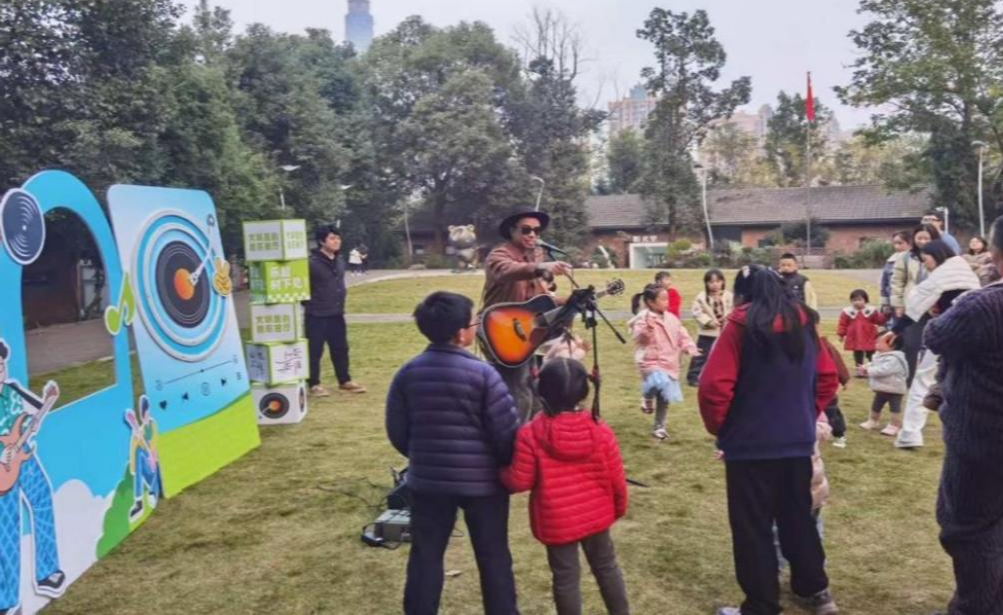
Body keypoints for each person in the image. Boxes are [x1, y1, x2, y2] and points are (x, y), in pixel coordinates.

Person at [699, 265, 840, 615]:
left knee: (753, 527)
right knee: (798, 517)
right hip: (795, 441)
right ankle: (815, 590)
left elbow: (713, 386)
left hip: (749, 447)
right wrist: (805, 415)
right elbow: (827, 376)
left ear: (741, 293)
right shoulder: (804, 322)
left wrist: (723, 429)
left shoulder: (739, 325)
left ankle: (762, 605)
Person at [386, 292, 521, 615]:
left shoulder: (408, 372)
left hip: (428, 482)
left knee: (425, 556)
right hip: (484, 485)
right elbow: (505, 434)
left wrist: (422, 456)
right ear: (461, 333)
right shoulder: (485, 374)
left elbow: (397, 430)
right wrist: (501, 464)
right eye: (473, 323)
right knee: (494, 557)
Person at [501, 358, 630, 615]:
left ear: (542, 389)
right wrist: (618, 508)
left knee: (566, 578)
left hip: (557, 521)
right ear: (584, 390)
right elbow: (617, 478)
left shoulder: (530, 433)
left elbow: (519, 481)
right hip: (597, 516)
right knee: (606, 567)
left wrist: (500, 471)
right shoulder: (600, 429)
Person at [926, 215, 1003, 615]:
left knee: (969, 529)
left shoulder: (983, 304)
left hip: (983, 442)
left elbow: (936, 336)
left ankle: (977, 607)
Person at [481, 210, 570, 421]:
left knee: (534, 386)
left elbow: (537, 301)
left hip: (525, 332)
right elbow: (507, 270)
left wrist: (570, 302)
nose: (532, 235)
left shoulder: (535, 256)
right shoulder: (498, 255)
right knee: (519, 390)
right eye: (526, 230)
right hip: (500, 331)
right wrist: (540, 266)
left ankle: (533, 432)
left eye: (537, 231)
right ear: (512, 231)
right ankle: (515, 435)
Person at [893, 240, 980, 450]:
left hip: (949, 331)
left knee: (923, 381)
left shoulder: (942, 274)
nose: (926, 265)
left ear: (937, 255)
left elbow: (915, 304)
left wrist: (895, 329)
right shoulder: (963, 269)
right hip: (975, 332)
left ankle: (910, 434)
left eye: (926, 260)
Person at [0, 340, 66, 613]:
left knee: (41, 499)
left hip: (23, 452)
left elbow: (35, 413)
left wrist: (47, 400)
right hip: (2, 469)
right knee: (7, 526)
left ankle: (47, 572)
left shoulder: (13, 391)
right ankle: (6, 601)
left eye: (1, 366)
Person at [628, 284, 700, 440]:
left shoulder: (672, 319)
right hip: (650, 361)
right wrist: (647, 330)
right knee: (658, 380)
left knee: (664, 395)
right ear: (650, 302)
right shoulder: (643, 318)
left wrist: (689, 347)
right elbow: (639, 338)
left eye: (667, 298)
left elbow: (682, 334)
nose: (667, 302)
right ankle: (647, 396)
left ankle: (659, 426)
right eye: (663, 299)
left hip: (669, 362)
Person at [303, 225, 366, 396]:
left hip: (336, 313)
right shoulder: (311, 263)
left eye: (338, 238)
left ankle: (344, 380)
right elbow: (302, 289)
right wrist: (311, 304)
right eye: (332, 238)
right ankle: (314, 384)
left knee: (340, 348)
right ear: (321, 241)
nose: (336, 241)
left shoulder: (339, 260)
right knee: (314, 350)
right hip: (316, 314)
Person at [890, 223, 941, 383]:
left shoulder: (943, 257)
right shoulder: (905, 257)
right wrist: (898, 303)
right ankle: (909, 380)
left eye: (927, 238)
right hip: (913, 305)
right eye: (920, 238)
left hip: (936, 306)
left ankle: (936, 380)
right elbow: (897, 281)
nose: (923, 242)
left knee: (937, 345)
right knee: (911, 344)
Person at [686, 268, 734, 387]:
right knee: (702, 354)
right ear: (706, 283)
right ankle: (693, 375)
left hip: (724, 331)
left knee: (724, 355)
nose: (715, 284)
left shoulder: (728, 296)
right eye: (711, 282)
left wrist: (727, 318)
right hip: (707, 332)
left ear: (723, 282)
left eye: (718, 281)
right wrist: (709, 322)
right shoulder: (702, 297)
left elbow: (733, 308)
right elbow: (697, 312)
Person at [858, 331, 908, 436]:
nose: (876, 344)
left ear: (892, 345)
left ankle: (894, 425)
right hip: (882, 388)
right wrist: (866, 366)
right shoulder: (880, 355)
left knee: (895, 408)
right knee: (876, 406)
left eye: (879, 342)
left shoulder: (894, 359)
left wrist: (868, 370)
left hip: (894, 389)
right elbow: (875, 364)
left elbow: (883, 370)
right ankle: (873, 420)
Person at [819, 326, 851, 449]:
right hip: (807, 388)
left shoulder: (825, 345)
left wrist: (845, 379)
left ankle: (839, 434)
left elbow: (838, 362)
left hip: (825, 389)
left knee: (831, 412)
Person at [837, 289, 886, 368]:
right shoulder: (847, 312)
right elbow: (843, 324)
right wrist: (841, 334)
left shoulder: (871, 310)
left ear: (865, 300)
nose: (857, 302)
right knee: (858, 353)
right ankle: (859, 368)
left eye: (859, 300)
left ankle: (872, 367)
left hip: (869, 335)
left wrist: (884, 316)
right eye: (854, 300)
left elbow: (878, 320)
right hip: (855, 336)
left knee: (871, 352)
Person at [880, 231, 912, 319]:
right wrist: (885, 303)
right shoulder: (890, 262)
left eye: (900, 243)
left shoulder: (916, 260)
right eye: (895, 243)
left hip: (910, 302)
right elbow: (884, 283)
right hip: (893, 303)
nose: (897, 246)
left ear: (910, 243)